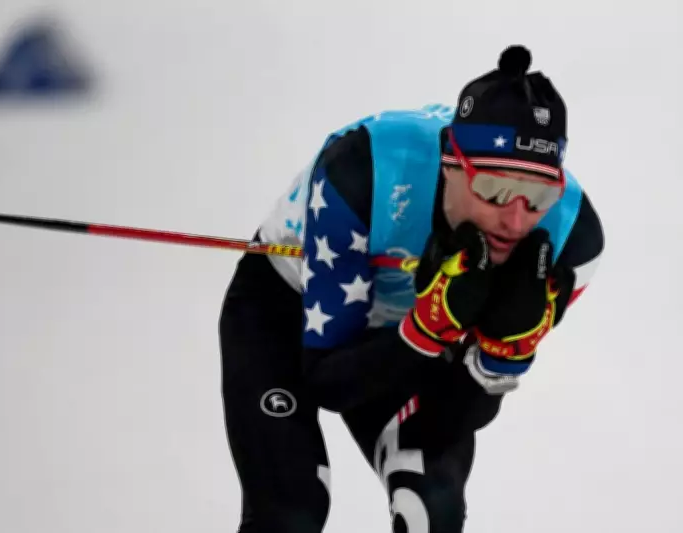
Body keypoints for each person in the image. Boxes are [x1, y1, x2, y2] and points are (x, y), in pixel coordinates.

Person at [218, 44, 604, 532]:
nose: (515, 219)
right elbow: (329, 381)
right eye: (495, 190)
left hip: (406, 332)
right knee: (291, 510)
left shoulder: (572, 239)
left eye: (539, 196)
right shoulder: (364, 168)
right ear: (450, 164)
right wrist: (427, 328)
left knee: (433, 510)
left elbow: (443, 423)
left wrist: (500, 357)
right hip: (284, 305)